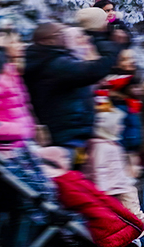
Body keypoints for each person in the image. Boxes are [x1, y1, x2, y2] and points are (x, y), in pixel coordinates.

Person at [22, 22, 121, 152]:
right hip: (65, 135)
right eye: (62, 33)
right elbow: (93, 71)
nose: (66, 36)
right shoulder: (55, 64)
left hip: (68, 132)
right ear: (49, 40)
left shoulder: (48, 59)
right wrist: (111, 50)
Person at [87, 106, 144, 231]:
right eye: (118, 124)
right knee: (128, 205)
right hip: (112, 189)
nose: (121, 127)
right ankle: (139, 227)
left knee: (129, 200)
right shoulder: (102, 147)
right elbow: (99, 169)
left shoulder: (112, 145)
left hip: (118, 186)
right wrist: (103, 191)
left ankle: (139, 226)